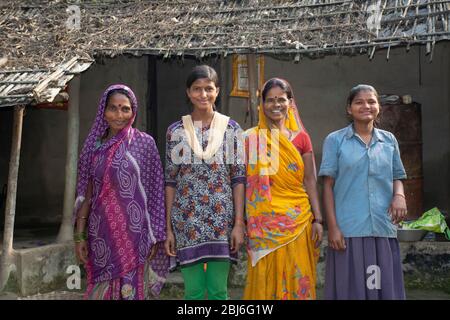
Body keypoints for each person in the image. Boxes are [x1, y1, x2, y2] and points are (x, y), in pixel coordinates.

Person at [73, 84, 169, 300]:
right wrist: (79, 236)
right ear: (103, 111)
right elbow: (86, 195)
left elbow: (155, 192)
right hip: (101, 233)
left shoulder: (144, 144)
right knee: (102, 288)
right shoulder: (93, 147)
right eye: (113, 108)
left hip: (136, 235)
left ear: (133, 111)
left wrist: (155, 234)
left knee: (131, 289)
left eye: (125, 109)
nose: (119, 115)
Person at [164, 65, 246, 300]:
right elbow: (170, 180)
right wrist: (169, 228)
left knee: (219, 291)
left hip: (221, 221)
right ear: (188, 93)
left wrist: (238, 224)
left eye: (208, 89)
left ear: (217, 91)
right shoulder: (176, 131)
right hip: (186, 220)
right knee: (194, 292)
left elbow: (238, 178)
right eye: (197, 89)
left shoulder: (231, 129)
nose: (203, 94)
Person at [319, 84, 407, 300]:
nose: (366, 106)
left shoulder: (389, 140)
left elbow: (397, 176)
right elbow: (327, 186)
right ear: (349, 109)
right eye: (359, 102)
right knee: (352, 291)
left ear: (379, 107)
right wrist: (333, 228)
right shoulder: (335, 140)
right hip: (349, 232)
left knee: (383, 290)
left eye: (371, 101)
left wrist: (399, 195)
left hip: (382, 228)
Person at [243, 78, 323, 300]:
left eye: (281, 99)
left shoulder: (302, 139)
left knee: (298, 275)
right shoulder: (251, 138)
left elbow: (309, 180)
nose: (275, 105)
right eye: (270, 100)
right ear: (262, 104)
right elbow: (243, 182)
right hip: (264, 223)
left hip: (298, 220)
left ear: (290, 102)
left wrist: (318, 219)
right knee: (265, 279)